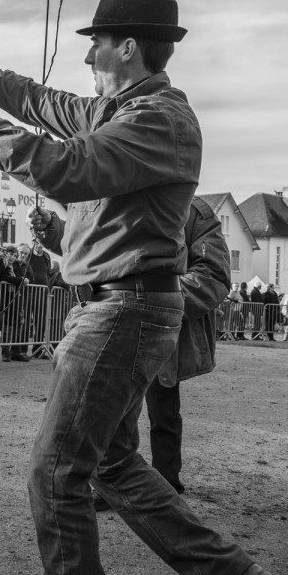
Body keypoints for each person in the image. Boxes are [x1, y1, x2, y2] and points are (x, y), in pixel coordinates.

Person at [0, 0, 275, 575]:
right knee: (111, 463)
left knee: (55, 473)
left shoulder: (160, 121)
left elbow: (67, 168)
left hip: (124, 309)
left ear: (126, 47)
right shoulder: (122, 109)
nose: (88, 55)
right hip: (118, 304)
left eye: (96, 43)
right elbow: (45, 105)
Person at [92, 197, 229, 512]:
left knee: (162, 409)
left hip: (163, 325)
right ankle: (115, 481)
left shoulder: (195, 212)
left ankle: (167, 483)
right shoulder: (121, 200)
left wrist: (162, 302)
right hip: (119, 319)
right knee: (113, 408)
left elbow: (213, 273)